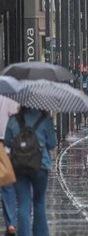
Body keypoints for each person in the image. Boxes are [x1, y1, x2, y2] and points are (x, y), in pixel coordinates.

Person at [5, 107, 56, 236]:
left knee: (23, 203)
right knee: (39, 202)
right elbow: (52, 144)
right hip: (41, 165)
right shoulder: (45, 119)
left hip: (19, 166)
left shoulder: (13, 119)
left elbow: (7, 142)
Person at [0, 98, 19, 235]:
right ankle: (20, 218)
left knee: (7, 184)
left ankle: (11, 222)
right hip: (23, 143)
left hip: (3, 142)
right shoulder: (22, 94)